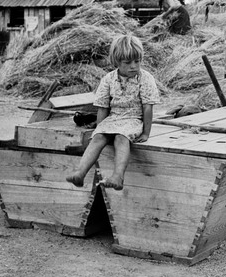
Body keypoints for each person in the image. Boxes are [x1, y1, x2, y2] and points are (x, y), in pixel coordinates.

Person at [66, 34, 160, 190]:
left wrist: (146, 133)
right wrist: (99, 128)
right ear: (117, 62)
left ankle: (118, 176)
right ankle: (80, 173)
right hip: (113, 118)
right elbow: (102, 107)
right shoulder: (108, 79)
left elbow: (148, 107)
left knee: (121, 138)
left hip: (134, 119)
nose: (133, 66)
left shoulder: (145, 78)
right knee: (97, 138)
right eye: (128, 62)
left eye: (137, 61)